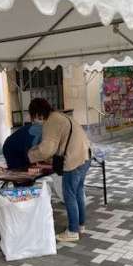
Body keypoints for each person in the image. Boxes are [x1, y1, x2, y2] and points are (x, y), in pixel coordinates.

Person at [28, 98, 91, 243]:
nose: (34, 120)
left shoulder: (51, 122)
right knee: (78, 192)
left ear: (37, 113)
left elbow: (46, 149)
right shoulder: (61, 116)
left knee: (69, 195)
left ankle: (73, 231)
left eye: (33, 116)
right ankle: (80, 225)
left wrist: (30, 155)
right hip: (85, 156)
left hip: (74, 160)